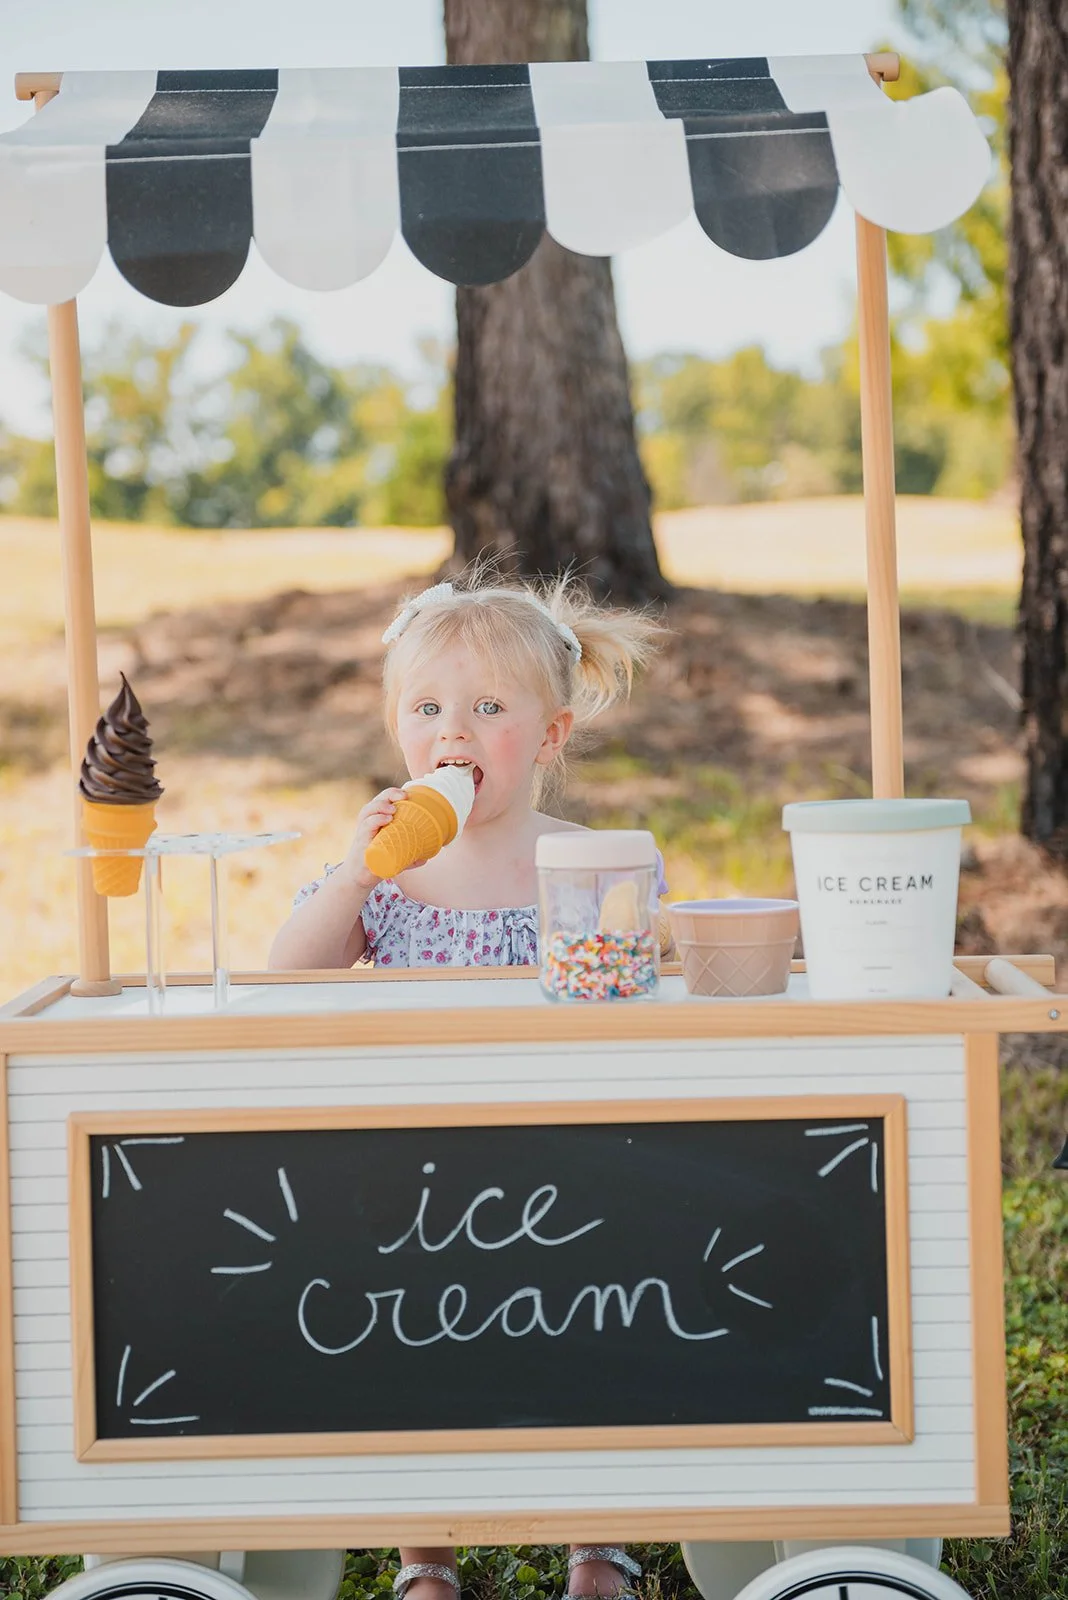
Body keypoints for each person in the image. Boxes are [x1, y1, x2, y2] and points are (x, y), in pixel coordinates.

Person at [269, 571, 667, 1600]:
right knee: (411, 1346)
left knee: (591, 1332)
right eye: (428, 708)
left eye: (489, 707)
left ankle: (598, 1545)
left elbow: (644, 991)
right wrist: (355, 875)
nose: (453, 731)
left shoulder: (586, 860)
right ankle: (426, 1555)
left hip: (564, 1149)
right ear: (397, 729)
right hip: (417, 1161)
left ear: (550, 736)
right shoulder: (388, 872)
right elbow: (289, 976)